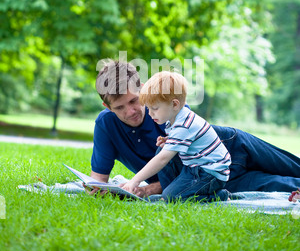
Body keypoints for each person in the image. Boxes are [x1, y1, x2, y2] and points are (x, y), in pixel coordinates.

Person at [89, 59, 300, 199]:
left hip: (232, 145)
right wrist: (98, 191)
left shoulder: (167, 107)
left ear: (143, 89)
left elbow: (168, 163)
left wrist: (145, 189)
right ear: (107, 107)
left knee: (293, 166)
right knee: (286, 185)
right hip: (210, 176)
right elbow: (98, 181)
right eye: (120, 107)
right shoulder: (106, 125)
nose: (131, 111)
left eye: (134, 100)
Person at [121, 71, 232, 202]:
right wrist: (170, 142)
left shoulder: (184, 125)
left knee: (171, 197)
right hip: (194, 166)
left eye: (155, 108)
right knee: (161, 150)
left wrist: (135, 180)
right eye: (148, 108)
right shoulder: (176, 117)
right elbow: (188, 142)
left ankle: (219, 195)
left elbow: (162, 159)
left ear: (174, 104)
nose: (150, 114)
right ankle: (172, 190)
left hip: (209, 172)